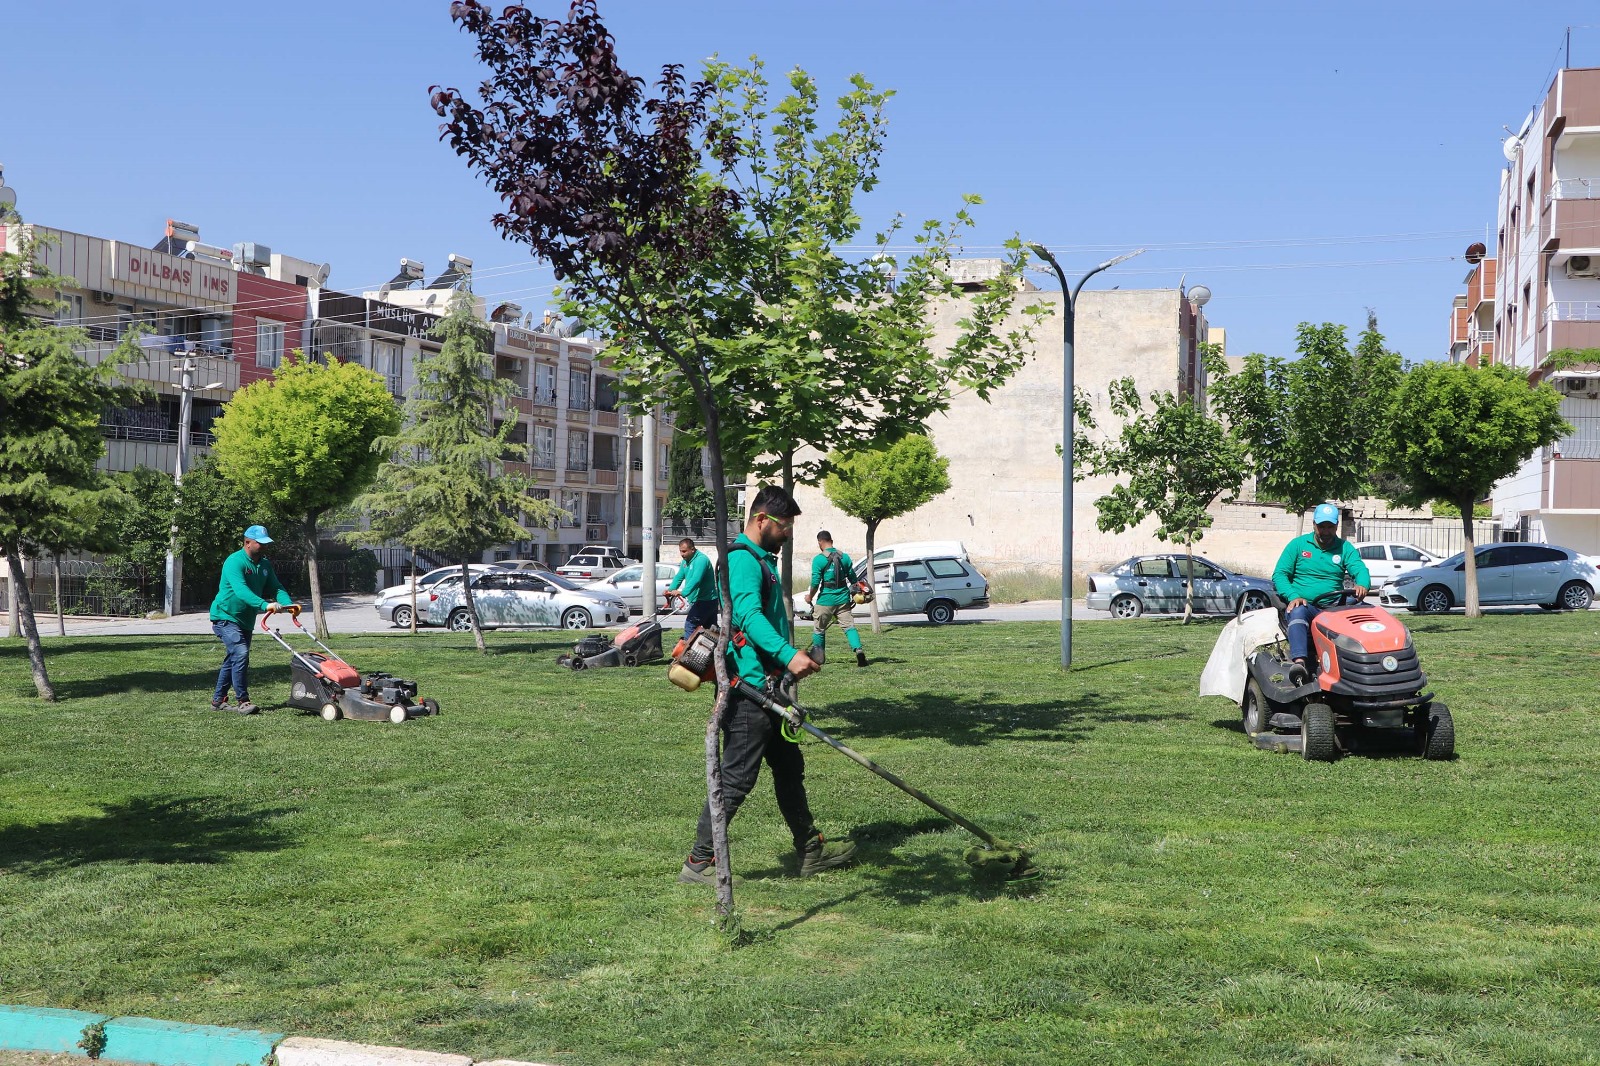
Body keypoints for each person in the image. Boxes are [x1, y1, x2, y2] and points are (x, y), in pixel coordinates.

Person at [679, 484, 857, 885]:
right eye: (785, 524)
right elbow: (747, 616)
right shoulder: (742, 559)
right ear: (762, 519)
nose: (789, 532)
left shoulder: (761, 560)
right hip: (749, 692)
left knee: (790, 770)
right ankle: (698, 863)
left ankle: (810, 850)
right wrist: (788, 654)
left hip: (772, 689)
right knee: (736, 778)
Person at [1272, 503, 1370, 683]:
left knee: (1368, 612)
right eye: (1322, 526)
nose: (1326, 531)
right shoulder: (1298, 545)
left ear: (1336, 527)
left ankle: (1372, 659)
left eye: (1330, 527)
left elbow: (1359, 569)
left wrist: (1362, 584)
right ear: (1314, 525)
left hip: (1335, 607)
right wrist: (1293, 596)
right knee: (1298, 611)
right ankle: (1300, 662)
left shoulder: (1345, 548)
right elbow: (1280, 575)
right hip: (1307, 605)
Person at [209, 524, 297, 714]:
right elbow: (241, 591)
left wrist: (288, 604)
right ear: (247, 542)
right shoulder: (234, 562)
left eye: (266, 543)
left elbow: (276, 587)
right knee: (240, 653)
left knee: (233, 658)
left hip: (245, 620)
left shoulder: (264, 564)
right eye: (260, 543)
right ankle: (243, 701)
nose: (264, 547)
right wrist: (266, 605)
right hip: (225, 616)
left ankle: (218, 701)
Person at [806, 531, 867, 668]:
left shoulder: (819, 559)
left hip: (825, 601)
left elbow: (815, 582)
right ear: (831, 540)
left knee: (819, 629)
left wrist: (809, 596)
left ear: (820, 542)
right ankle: (858, 650)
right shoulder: (844, 557)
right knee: (849, 627)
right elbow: (853, 579)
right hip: (843, 599)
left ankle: (818, 658)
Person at [664, 537, 718, 639]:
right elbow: (679, 576)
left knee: (690, 625)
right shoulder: (685, 561)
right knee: (711, 630)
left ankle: (687, 651)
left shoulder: (701, 560)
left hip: (706, 600)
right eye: (680, 551)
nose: (682, 554)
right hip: (701, 600)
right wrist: (670, 590)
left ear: (692, 549)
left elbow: (696, 580)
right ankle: (716, 651)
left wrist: (682, 592)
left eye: (684, 551)